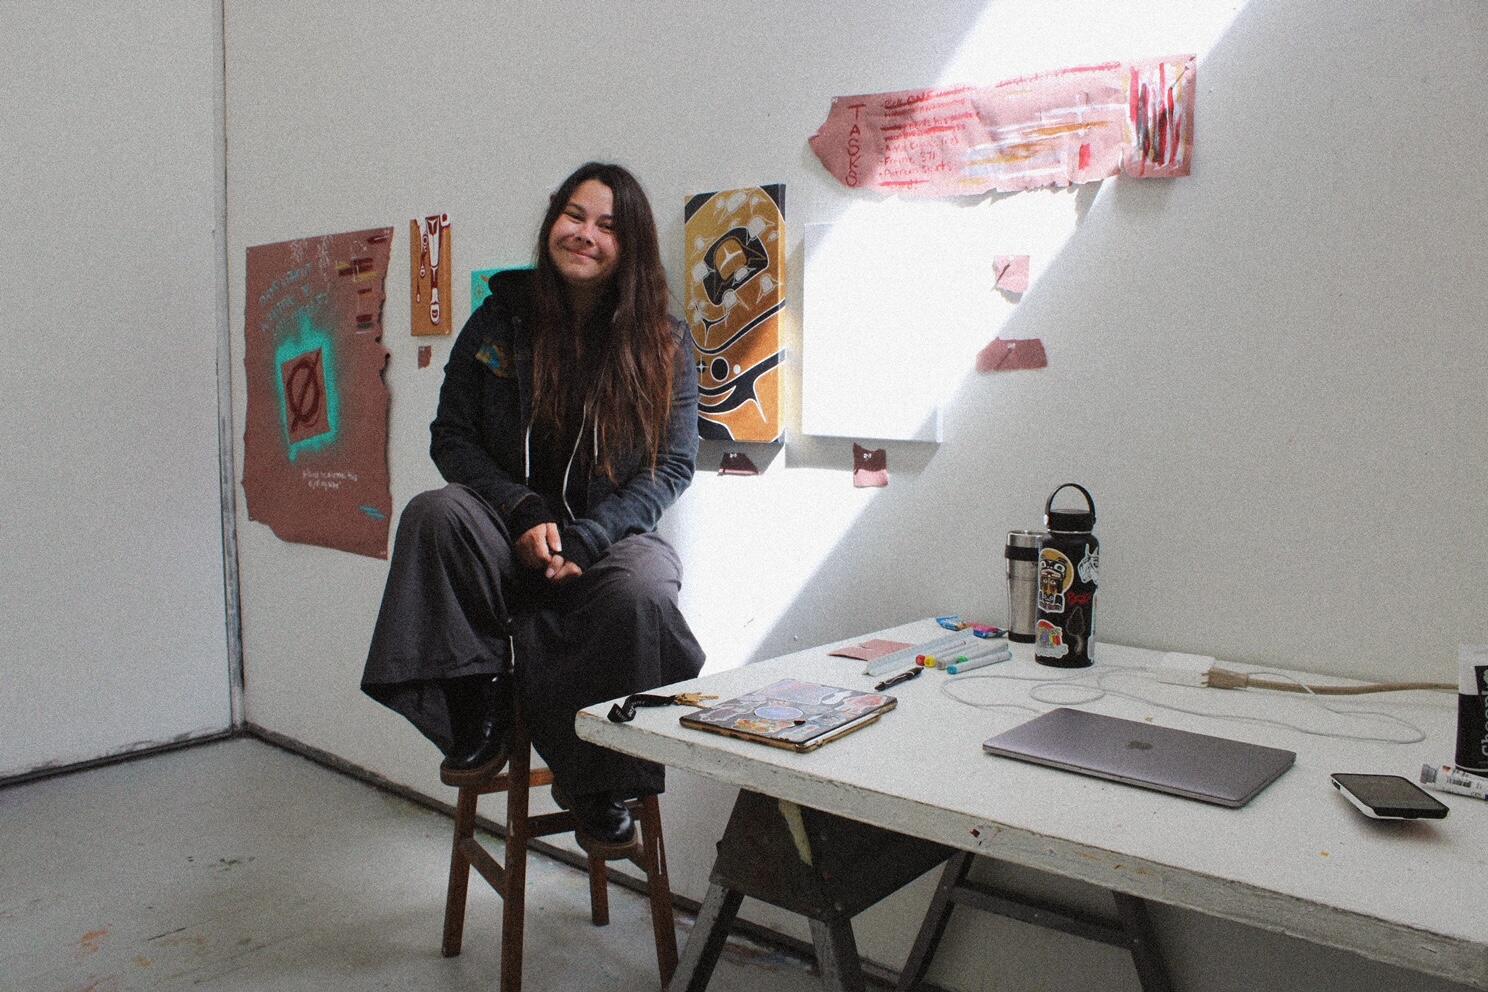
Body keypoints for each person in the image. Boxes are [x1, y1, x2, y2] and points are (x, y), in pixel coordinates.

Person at [361, 162, 704, 847]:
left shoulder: (664, 342)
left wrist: (587, 538)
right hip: (502, 527)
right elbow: (451, 437)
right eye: (574, 215)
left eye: (608, 226)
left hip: (609, 539)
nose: (586, 234)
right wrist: (519, 511)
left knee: (644, 591)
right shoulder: (498, 318)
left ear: (629, 245)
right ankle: (478, 711)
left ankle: (599, 784)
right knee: (435, 514)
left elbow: (671, 467)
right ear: (553, 221)